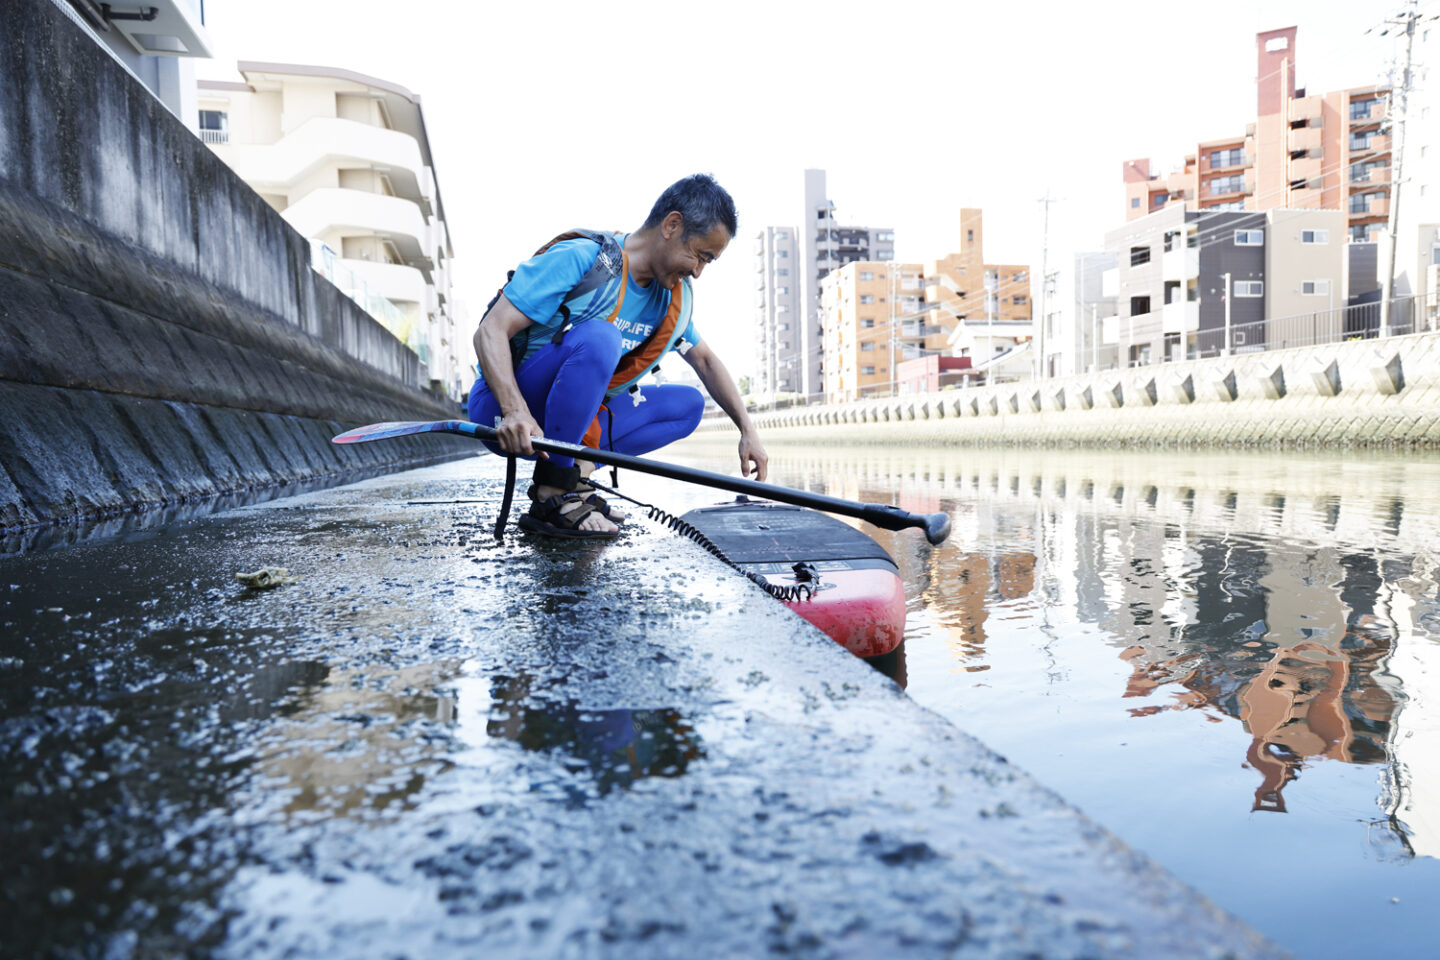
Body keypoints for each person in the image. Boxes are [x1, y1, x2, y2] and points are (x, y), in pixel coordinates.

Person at [468, 174, 767, 539]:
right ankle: (554, 492)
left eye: (708, 262)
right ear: (672, 225)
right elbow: (490, 331)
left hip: (572, 425)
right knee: (601, 338)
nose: (698, 272)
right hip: (504, 412)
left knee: (687, 405)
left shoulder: (672, 298)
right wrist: (514, 410)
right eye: (700, 255)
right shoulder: (585, 259)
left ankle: (577, 474)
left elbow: (704, 360)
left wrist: (747, 430)